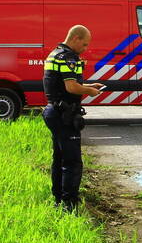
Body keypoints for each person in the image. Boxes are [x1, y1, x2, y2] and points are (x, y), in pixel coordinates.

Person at [42, 25, 104, 211]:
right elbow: (71, 88)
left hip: (54, 110)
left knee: (59, 158)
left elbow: (63, 82)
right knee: (72, 162)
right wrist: (90, 91)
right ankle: (69, 205)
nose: (85, 49)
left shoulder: (55, 53)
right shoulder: (68, 57)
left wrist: (89, 84)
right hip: (64, 114)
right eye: (84, 44)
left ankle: (58, 199)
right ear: (75, 38)